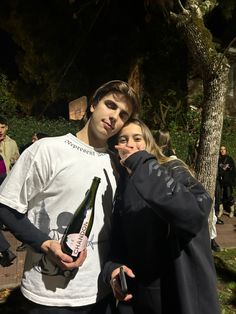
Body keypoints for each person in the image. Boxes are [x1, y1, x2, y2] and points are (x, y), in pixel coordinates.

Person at [0, 80, 139, 314]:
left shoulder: (117, 165)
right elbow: (6, 207)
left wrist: (115, 270)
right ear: (93, 105)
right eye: (110, 105)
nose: (114, 116)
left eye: (123, 114)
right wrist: (46, 244)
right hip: (48, 298)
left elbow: (114, 230)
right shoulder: (47, 150)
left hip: (101, 294)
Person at [103, 118, 220, 314]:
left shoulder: (172, 169)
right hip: (139, 296)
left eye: (137, 138)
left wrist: (140, 162)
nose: (130, 144)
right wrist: (113, 269)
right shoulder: (122, 185)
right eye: (123, 140)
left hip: (177, 290)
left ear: (149, 142)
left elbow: (194, 213)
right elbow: (119, 242)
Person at [218, 145, 235, 218]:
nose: (222, 151)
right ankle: (221, 210)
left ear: (226, 150)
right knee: (218, 195)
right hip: (219, 181)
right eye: (221, 149)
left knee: (228, 196)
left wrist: (231, 180)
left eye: (224, 149)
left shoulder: (229, 159)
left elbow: (233, 170)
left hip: (227, 181)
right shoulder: (218, 159)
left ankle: (232, 210)